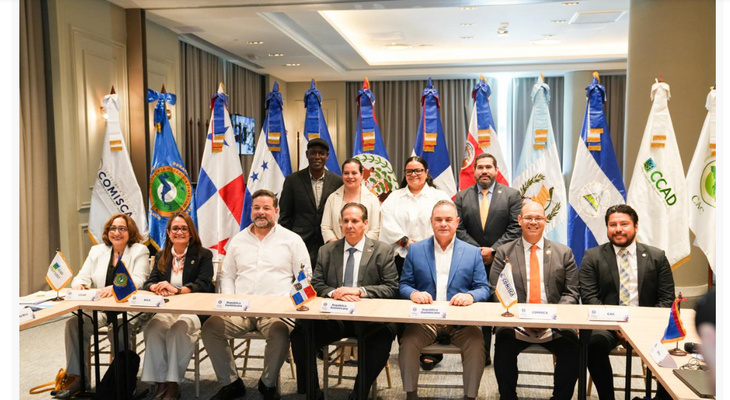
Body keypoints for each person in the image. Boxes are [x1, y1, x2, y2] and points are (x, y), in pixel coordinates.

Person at [202, 189, 311, 400]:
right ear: (251, 210)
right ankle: (231, 383)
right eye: (256, 208)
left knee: (280, 333)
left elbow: (305, 277)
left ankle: (267, 384)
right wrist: (230, 302)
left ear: (276, 211)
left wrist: (287, 304)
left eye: (266, 208)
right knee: (210, 328)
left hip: (275, 311)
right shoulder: (238, 240)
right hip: (240, 310)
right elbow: (227, 275)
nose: (261, 212)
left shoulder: (292, 240)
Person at [291, 202, 398, 400]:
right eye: (345, 221)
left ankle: (358, 394)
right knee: (300, 335)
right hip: (335, 318)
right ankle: (313, 393)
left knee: (384, 335)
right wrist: (335, 293)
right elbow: (317, 284)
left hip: (369, 318)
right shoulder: (327, 250)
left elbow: (391, 287)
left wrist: (360, 291)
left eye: (355, 221)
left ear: (365, 223)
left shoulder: (382, 251)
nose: (349, 225)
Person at [580, 204, 675, 400]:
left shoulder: (657, 257)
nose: (618, 229)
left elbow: (666, 299)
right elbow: (590, 298)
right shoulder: (592, 257)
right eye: (613, 225)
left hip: (647, 325)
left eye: (624, 224)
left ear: (636, 226)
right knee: (592, 344)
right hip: (608, 325)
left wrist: (639, 327)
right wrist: (618, 326)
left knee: (672, 347)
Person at [398, 200, 490, 400]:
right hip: (425, 320)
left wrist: (470, 296)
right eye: (438, 219)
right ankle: (411, 395)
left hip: (461, 322)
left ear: (457, 222)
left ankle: (470, 397)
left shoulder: (472, 252)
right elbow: (404, 284)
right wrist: (413, 293)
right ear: (431, 221)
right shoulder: (415, 250)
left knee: (476, 343)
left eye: (448, 219)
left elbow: (484, 288)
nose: (443, 224)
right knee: (408, 342)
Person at [489, 201, 579, 400]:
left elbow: (571, 292)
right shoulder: (504, 252)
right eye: (528, 217)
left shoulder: (564, 253)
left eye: (538, 218)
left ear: (545, 221)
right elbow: (495, 291)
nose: (533, 222)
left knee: (572, 346)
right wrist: (518, 317)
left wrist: (553, 317)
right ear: (519, 220)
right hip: (516, 322)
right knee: (503, 342)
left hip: (553, 323)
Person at [57, 214, 150, 399]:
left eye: (122, 228)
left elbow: (139, 279)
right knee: (74, 324)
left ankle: (121, 381)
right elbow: (81, 277)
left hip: (130, 310)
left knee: (119, 329)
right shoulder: (97, 251)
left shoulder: (139, 250)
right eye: (112, 228)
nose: (116, 232)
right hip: (102, 310)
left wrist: (116, 288)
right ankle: (78, 379)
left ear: (130, 231)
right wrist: (79, 285)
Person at [380, 155, 451, 369]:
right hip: (401, 257)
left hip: (433, 255)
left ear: (426, 173)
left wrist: (425, 245)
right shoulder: (395, 197)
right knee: (404, 301)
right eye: (409, 171)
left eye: (418, 170)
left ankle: (432, 350)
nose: (414, 174)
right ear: (405, 174)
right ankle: (407, 346)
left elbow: (445, 222)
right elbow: (387, 223)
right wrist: (408, 243)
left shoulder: (439, 196)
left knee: (431, 300)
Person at [454, 152, 522, 366]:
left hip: (503, 261)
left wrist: (493, 251)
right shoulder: (461, 197)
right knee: (476, 304)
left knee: (500, 304)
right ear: (474, 171)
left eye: (488, 167)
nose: (484, 171)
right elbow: (458, 228)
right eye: (480, 167)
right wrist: (478, 252)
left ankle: (503, 353)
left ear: (496, 170)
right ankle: (481, 354)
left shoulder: (512, 195)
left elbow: (515, 227)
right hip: (470, 260)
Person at [140, 212, 214, 400]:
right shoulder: (161, 255)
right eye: (175, 228)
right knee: (153, 328)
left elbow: (204, 284)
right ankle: (160, 381)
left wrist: (178, 290)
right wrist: (155, 287)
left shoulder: (203, 255)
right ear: (168, 232)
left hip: (194, 310)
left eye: (183, 228)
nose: (179, 232)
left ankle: (173, 383)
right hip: (168, 309)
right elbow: (149, 282)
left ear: (190, 232)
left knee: (178, 330)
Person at [279, 137, 343, 266]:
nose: (317, 157)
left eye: (321, 153)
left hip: (328, 243)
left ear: (327, 156)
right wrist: (287, 241)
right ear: (307, 155)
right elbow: (285, 216)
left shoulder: (338, 181)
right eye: (313, 153)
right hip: (300, 242)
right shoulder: (292, 180)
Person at [321, 158, 381, 242]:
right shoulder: (332, 198)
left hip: (365, 248)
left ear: (362, 175)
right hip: (337, 247)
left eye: (354, 173)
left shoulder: (372, 200)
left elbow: (375, 230)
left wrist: (358, 247)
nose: (350, 176)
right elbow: (326, 227)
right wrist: (339, 246)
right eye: (346, 173)